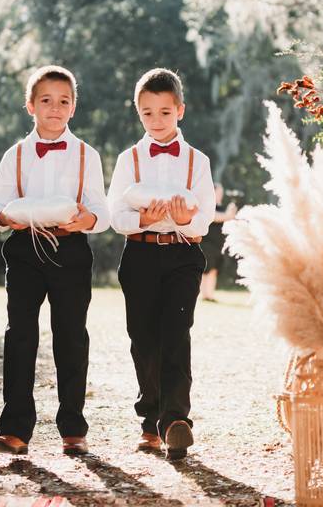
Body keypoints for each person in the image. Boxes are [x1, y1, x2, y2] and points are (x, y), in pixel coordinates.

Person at [0, 65, 110, 457]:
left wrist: (80, 220)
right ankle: (15, 428)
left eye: (63, 101)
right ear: (30, 106)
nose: (54, 109)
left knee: (71, 336)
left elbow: (99, 214)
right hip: (24, 250)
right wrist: (16, 215)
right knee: (20, 334)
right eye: (46, 101)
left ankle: (73, 427)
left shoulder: (87, 155)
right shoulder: (15, 155)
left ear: (73, 108)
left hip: (70, 251)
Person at [107, 68, 215, 460]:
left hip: (184, 254)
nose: (157, 121)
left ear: (180, 111)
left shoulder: (197, 161)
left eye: (165, 112)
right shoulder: (128, 160)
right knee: (143, 339)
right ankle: (148, 418)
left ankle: (174, 421)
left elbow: (205, 218)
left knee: (176, 333)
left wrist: (184, 219)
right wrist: (146, 220)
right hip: (139, 253)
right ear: (138, 113)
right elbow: (115, 214)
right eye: (148, 113)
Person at [199, 183, 237, 302]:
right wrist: (229, 214)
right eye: (218, 192)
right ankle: (203, 295)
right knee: (206, 270)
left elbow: (229, 218)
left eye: (221, 192)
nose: (220, 194)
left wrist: (232, 211)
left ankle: (209, 295)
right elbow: (217, 217)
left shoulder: (221, 208)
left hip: (218, 245)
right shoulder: (207, 207)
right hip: (207, 244)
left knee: (214, 270)